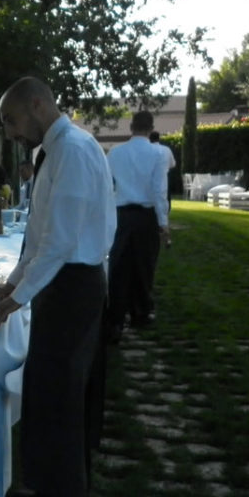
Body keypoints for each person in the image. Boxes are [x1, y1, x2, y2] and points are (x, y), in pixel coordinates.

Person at [0, 77, 116, 497]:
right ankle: (50, 486)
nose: (9, 132)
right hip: (61, 280)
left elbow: (60, 240)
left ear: (37, 104)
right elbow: (38, 236)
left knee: (60, 392)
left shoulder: (72, 150)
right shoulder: (53, 151)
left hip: (73, 285)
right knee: (47, 388)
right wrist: (18, 280)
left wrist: (21, 295)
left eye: (11, 119)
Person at [105, 112, 169, 343]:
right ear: (151, 128)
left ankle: (116, 318)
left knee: (119, 265)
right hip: (146, 215)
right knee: (144, 265)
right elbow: (159, 190)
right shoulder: (158, 153)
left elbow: (107, 185)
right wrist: (163, 223)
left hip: (121, 214)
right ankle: (140, 312)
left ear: (131, 127)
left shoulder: (115, 152)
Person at [149, 130, 176, 214]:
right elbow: (173, 164)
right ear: (158, 138)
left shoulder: (147, 150)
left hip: (149, 176)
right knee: (165, 195)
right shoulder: (166, 150)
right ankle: (165, 213)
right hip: (164, 175)